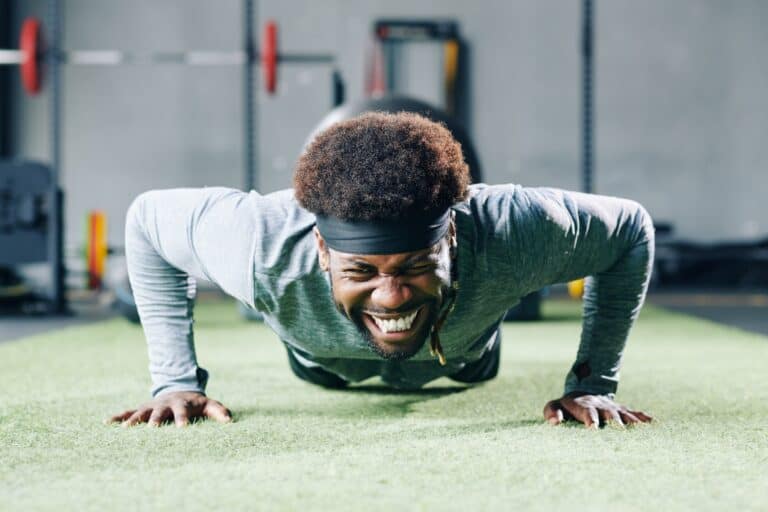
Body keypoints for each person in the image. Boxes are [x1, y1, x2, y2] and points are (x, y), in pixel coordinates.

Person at [108, 112, 654, 429]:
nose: (391, 297)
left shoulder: (517, 230)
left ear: (453, 235)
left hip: (461, 362)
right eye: (362, 270)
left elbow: (631, 229)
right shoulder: (256, 242)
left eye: (417, 263)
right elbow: (146, 221)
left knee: (463, 350)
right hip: (322, 366)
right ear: (322, 247)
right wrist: (175, 381)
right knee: (279, 306)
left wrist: (592, 383)